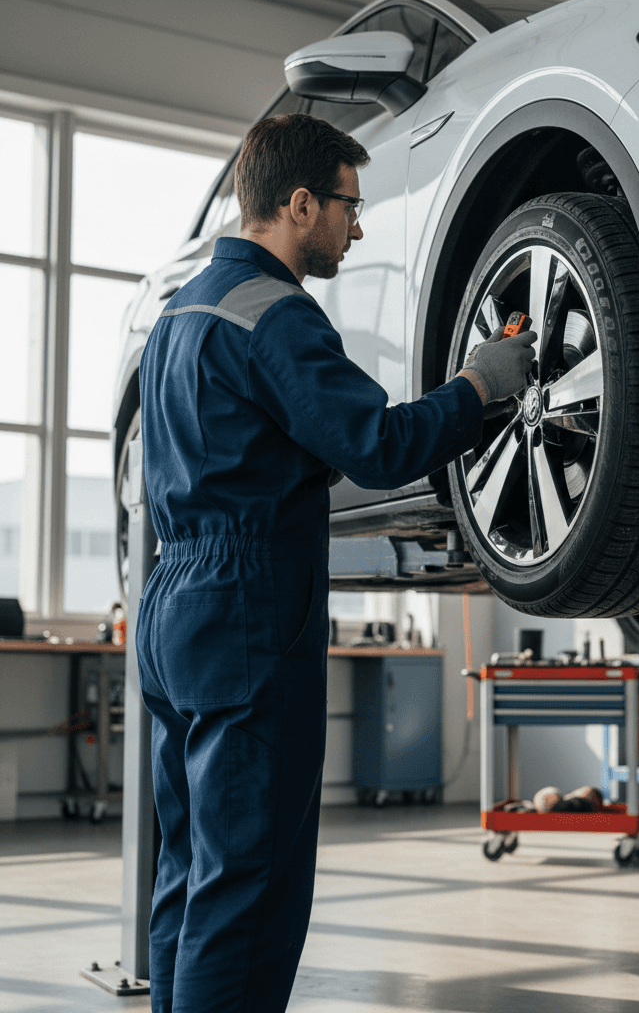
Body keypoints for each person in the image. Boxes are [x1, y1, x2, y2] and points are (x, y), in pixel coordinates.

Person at [136, 111, 536, 1013]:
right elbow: (380, 445)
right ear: (300, 201)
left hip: (173, 607)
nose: (358, 229)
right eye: (350, 207)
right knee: (250, 884)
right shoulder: (276, 315)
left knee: (191, 867)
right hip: (245, 611)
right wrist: (481, 383)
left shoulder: (178, 315)